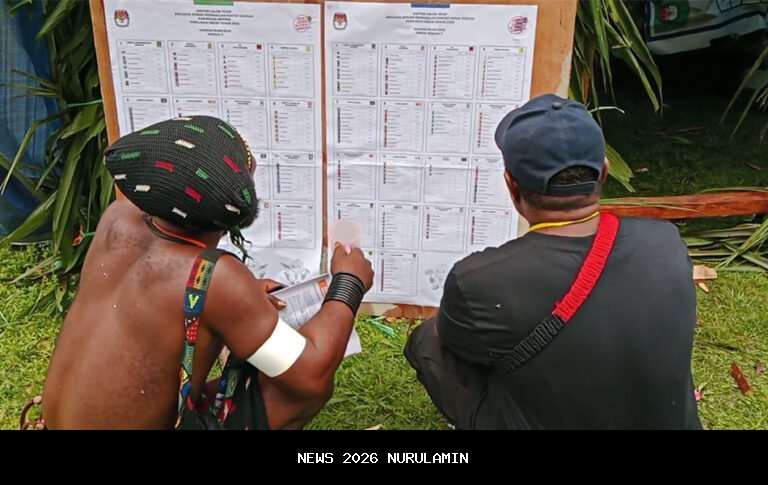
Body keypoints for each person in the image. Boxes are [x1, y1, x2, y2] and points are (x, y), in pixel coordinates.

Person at [42, 116, 373, 429]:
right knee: (294, 391)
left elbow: (152, 293)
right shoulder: (215, 278)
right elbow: (311, 374)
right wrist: (349, 282)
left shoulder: (118, 217)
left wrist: (241, 296)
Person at [404, 94, 702, 430]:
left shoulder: (479, 279)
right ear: (604, 171)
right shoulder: (665, 240)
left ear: (511, 184)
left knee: (428, 339)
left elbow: (458, 346)